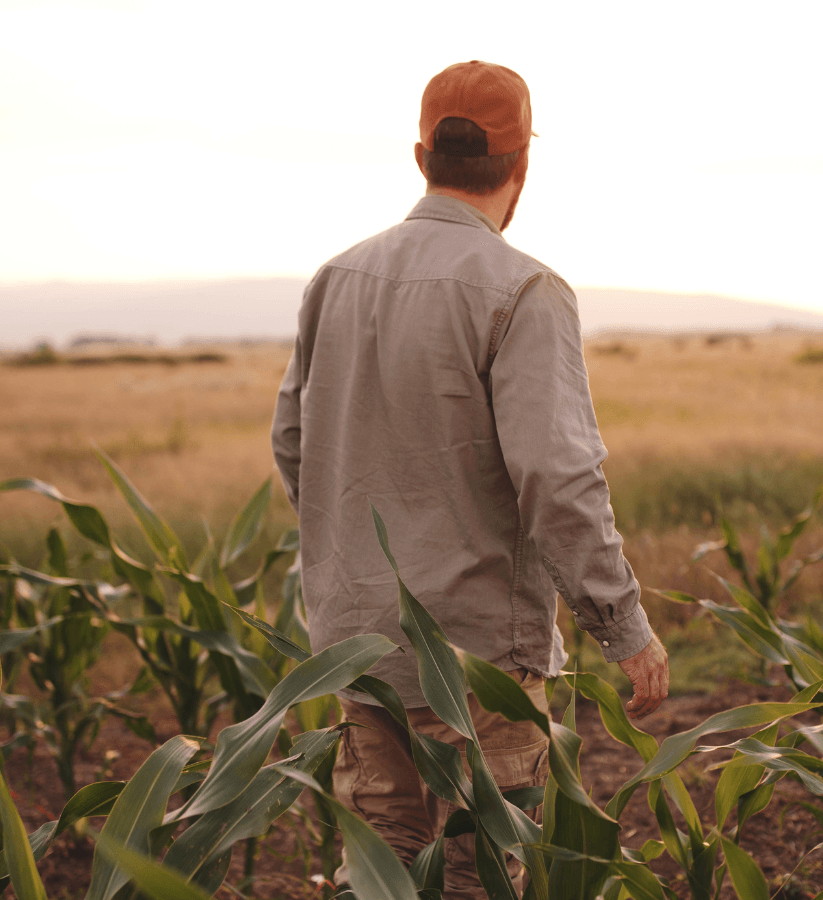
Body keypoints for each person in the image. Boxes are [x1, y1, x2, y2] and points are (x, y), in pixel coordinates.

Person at [270, 60, 670, 898]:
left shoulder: (334, 280)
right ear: (522, 162)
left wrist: (356, 565)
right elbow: (556, 480)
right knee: (472, 873)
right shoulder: (524, 290)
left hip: (360, 646)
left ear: (421, 157)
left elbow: (292, 444)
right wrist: (624, 626)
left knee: (379, 869)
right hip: (478, 664)